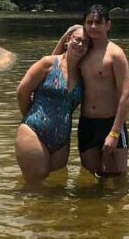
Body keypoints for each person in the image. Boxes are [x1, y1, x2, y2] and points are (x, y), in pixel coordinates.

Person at [54, 5, 129, 177]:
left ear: (108, 25)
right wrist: (64, 38)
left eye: (98, 22)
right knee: (90, 177)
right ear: (84, 24)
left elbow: (125, 95)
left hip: (110, 123)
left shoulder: (115, 54)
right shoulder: (81, 51)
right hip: (87, 123)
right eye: (89, 22)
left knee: (118, 179)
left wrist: (114, 133)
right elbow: (55, 65)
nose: (94, 26)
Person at [14, 27, 87, 183]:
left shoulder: (83, 74)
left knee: (56, 189)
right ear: (68, 40)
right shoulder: (48, 63)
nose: (81, 45)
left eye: (86, 43)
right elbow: (22, 92)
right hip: (34, 131)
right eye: (77, 39)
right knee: (34, 188)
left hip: (62, 138)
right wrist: (30, 116)